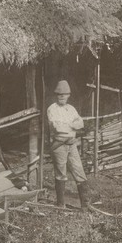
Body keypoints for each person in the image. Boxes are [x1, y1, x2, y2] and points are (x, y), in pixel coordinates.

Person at [47, 80, 91, 210]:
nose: (62, 96)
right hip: (59, 145)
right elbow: (57, 128)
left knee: (79, 172)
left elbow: (81, 123)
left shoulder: (71, 109)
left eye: (64, 94)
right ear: (56, 95)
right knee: (61, 173)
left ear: (68, 95)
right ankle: (61, 204)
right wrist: (72, 126)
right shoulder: (52, 109)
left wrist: (69, 126)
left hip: (72, 145)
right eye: (59, 94)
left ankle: (85, 205)